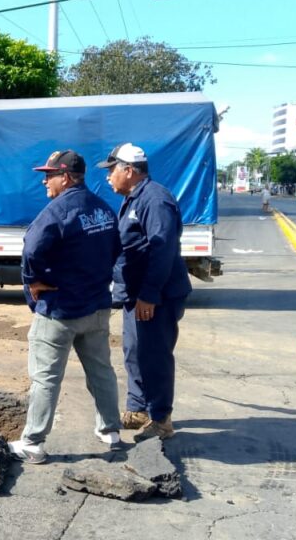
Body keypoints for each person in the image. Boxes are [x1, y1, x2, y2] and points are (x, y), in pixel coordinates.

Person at [7, 150, 122, 464]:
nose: (45, 181)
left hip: (60, 311)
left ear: (66, 177)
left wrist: (33, 281)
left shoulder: (57, 211)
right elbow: (115, 251)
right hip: (96, 308)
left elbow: (31, 248)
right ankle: (110, 431)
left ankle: (32, 443)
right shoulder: (102, 209)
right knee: (101, 372)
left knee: (45, 378)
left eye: (49, 175)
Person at [99, 143, 191, 442]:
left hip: (155, 298)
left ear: (129, 170)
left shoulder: (155, 199)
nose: (108, 177)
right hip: (134, 294)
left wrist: (149, 295)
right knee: (133, 353)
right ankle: (138, 408)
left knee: (154, 356)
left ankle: (161, 418)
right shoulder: (133, 198)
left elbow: (162, 249)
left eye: (112, 170)